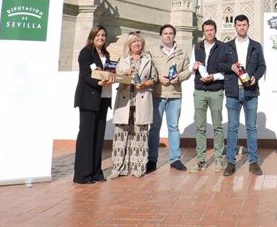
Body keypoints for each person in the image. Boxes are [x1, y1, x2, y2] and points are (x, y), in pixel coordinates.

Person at [223, 14, 266, 176]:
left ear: (248, 26)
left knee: (251, 128)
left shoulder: (256, 46)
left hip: (250, 91)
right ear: (235, 26)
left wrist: (256, 76)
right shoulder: (227, 46)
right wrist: (230, 68)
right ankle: (230, 163)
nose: (241, 27)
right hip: (233, 92)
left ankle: (253, 162)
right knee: (233, 128)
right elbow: (220, 64)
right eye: (239, 25)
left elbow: (262, 66)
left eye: (244, 25)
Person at [110, 31, 156, 178]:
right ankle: (119, 167)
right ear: (129, 44)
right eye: (134, 41)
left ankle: (138, 167)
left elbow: (154, 78)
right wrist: (125, 76)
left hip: (141, 99)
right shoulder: (122, 59)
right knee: (121, 134)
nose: (137, 44)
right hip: (125, 100)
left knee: (140, 134)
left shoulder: (148, 59)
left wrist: (144, 84)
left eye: (139, 41)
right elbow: (116, 77)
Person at [189, 19, 233, 172]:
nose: (209, 32)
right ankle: (201, 160)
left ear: (215, 30)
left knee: (217, 127)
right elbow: (190, 67)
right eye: (206, 30)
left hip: (216, 91)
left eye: (211, 30)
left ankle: (219, 159)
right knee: (200, 127)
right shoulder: (196, 47)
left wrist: (213, 77)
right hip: (200, 90)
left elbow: (226, 71)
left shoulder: (223, 47)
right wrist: (193, 67)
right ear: (203, 32)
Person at [73, 24, 114, 184]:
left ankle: (96, 172)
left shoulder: (106, 54)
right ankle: (83, 175)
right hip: (89, 99)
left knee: (98, 137)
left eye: (103, 35)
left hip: (103, 98)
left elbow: (108, 72)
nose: (101, 38)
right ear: (92, 36)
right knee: (86, 136)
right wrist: (99, 82)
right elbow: (85, 75)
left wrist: (112, 77)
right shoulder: (86, 52)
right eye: (98, 35)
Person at [147, 24, 191, 172]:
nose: (168, 35)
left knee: (173, 128)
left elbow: (188, 71)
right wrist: (158, 77)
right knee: (154, 128)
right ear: (161, 35)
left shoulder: (182, 52)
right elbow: (149, 69)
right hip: (157, 94)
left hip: (174, 95)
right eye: (165, 33)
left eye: (171, 33)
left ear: (174, 35)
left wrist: (179, 77)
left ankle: (175, 159)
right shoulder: (152, 51)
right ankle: (151, 159)